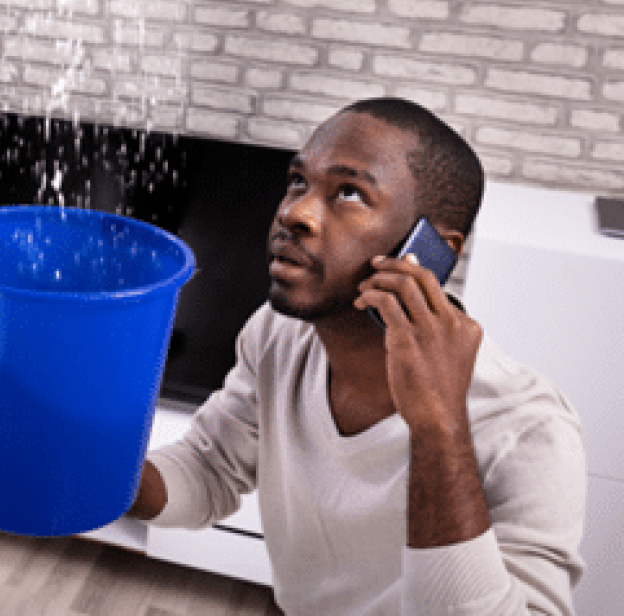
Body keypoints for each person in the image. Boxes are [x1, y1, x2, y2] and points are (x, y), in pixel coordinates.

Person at [130, 98, 586, 614]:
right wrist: (97, 472)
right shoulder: (278, 335)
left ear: (430, 249)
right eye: (299, 182)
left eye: (349, 193)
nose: (292, 212)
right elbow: (211, 468)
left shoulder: (530, 431)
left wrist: (439, 429)